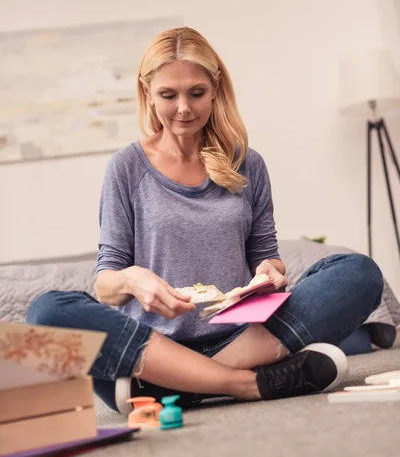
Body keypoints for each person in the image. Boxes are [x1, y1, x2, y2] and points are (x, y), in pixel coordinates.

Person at [27, 27, 384, 414]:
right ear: (147, 92)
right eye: (168, 95)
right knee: (46, 313)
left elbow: (266, 254)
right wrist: (133, 279)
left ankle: (175, 387)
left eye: (196, 93)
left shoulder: (247, 163)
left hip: (240, 337)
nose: (184, 108)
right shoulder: (126, 168)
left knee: (358, 272)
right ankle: (245, 383)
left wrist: (270, 271)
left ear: (215, 88)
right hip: (151, 347)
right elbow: (106, 284)